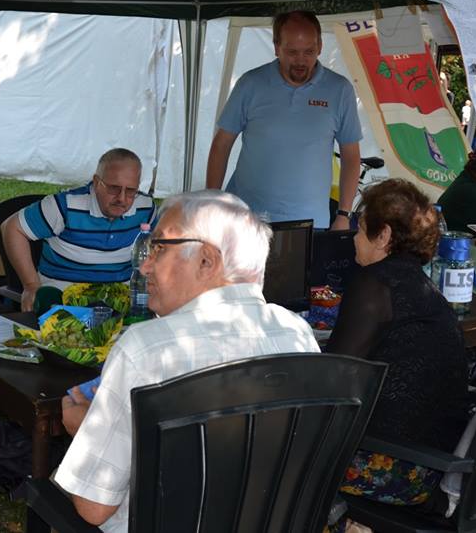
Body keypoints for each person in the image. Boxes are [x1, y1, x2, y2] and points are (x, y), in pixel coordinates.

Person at [53, 190, 320, 530]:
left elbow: (94, 507)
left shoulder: (145, 348)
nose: (144, 266)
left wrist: (84, 433)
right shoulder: (296, 332)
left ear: (206, 260)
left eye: (159, 248)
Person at [324, 179, 467, 506]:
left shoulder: (375, 284)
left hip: (395, 466)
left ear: (384, 235)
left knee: (275, 455)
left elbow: (334, 376)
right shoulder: (425, 288)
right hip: (437, 463)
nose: (354, 238)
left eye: (361, 229)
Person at [205, 10, 362, 230]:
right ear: (277, 47)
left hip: (309, 223)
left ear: (320, 46)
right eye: (292, 52)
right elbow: (222, 144)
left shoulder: (340, 90)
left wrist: (344, 214)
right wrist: (212, 201)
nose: (301, 60)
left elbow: (351, 156)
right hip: (246, 219)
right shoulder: (251, 84)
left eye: (309, 51)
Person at [1, 148, 157, 311]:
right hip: (62, 305)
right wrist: (31, 285)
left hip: (121, 306)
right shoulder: (65, 206)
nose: (122, 198)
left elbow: (162, 246)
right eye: (113, 188)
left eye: (131, 191)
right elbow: (12, 228)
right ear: (96, 182)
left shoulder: (146, 208)